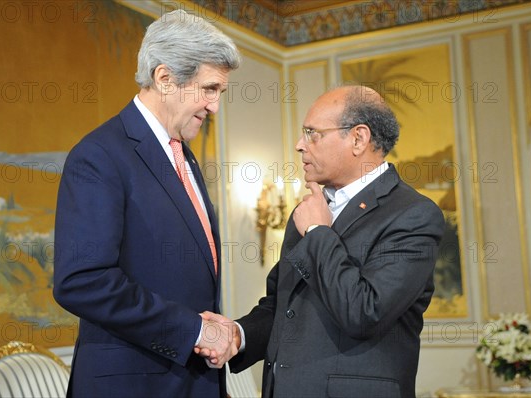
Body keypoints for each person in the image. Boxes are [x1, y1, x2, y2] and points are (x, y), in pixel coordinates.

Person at [53, 10, 241, 398]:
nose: (215, 106)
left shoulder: (184, 157)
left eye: (219, 92)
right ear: (165, 77)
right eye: (209, 89)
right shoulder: (99, 155)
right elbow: (82, 281)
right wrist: (194, 330)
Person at [222, 85, 445, 398]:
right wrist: (238, 334)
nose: (300, 145)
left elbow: (365, 311)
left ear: (358, 138)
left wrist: (317, 232)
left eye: (313, 133)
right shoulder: (309, 211)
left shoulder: (413, 215)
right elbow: (282, 306)